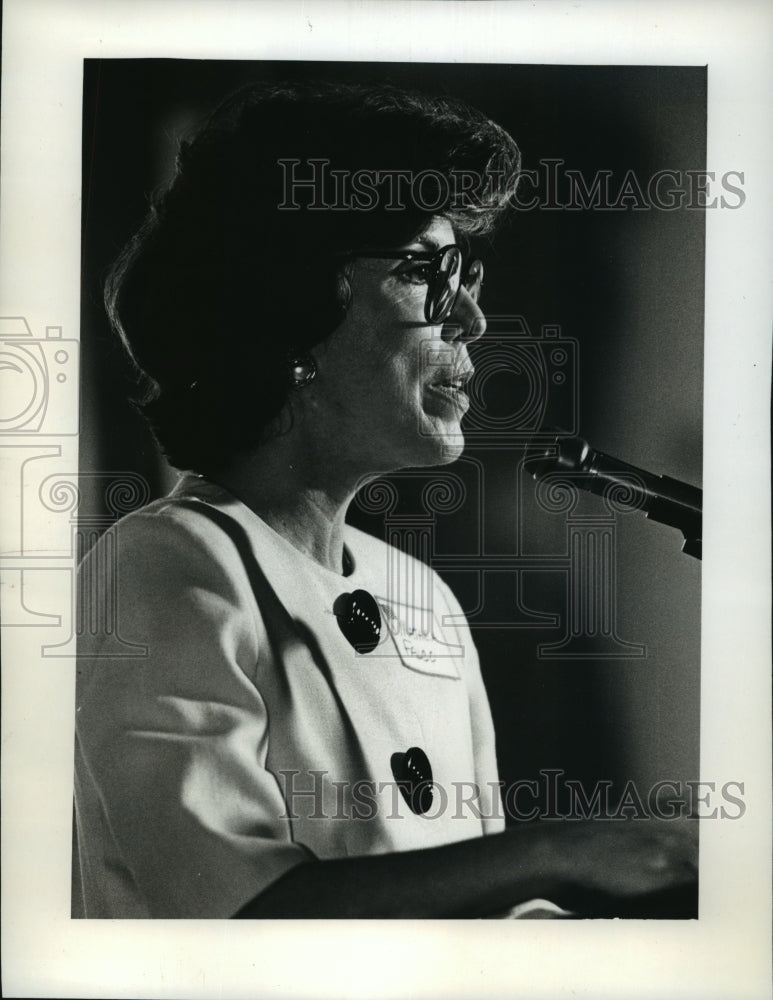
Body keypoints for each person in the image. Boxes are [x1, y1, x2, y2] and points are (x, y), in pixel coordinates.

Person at [73, 80, 697, 919]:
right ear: (288, 312)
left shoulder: (424, 600)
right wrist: (563, 850)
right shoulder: (168, 561)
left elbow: (477, 916)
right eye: (421, 274)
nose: (472, 319)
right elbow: (235, 916)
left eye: (466, 275)